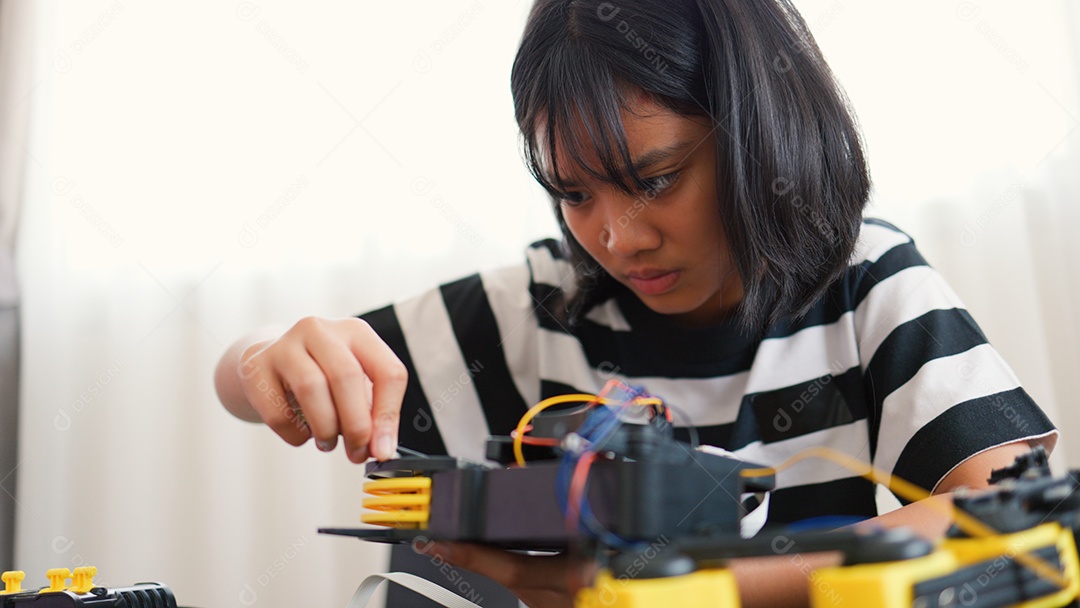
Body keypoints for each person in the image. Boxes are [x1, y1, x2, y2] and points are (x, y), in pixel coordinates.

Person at [214, 0, 1059, 606]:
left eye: (655, 180)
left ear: (760, 134)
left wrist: (659, 593)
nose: (617, 240)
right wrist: (265, 356)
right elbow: (243, 385)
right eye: (573, 194)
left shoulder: (866, 279)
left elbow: (1007, 523)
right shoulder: (539, 310)